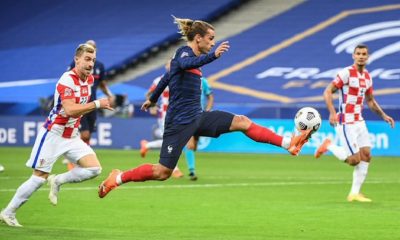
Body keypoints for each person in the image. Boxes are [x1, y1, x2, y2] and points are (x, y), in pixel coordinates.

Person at [98, 16, 311, 198]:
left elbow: (166, 77)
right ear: (198, 38)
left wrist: (152, 98)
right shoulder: (184, 54)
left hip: (197, 117)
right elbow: (181, 66)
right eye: (210, 39)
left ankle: (288, 143)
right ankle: (117, 177)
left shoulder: (193, 61)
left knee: (242, 122)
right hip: (178, 123)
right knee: (162, 173)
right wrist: (213, 56)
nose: (212, 43)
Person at [0, 43, 113, 227]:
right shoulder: (67, 80)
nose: (91, 63)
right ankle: (8, 212)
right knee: (38, 178)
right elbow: (69, 110)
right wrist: (97, 104)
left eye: (93, 60)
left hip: (72, 135)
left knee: (94, 169)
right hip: (53, 134)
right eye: (86, 59)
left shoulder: (89, 80)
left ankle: (58, 180)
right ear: (76, 59)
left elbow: (79, 110)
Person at [314, 44, 395, 202]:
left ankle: (354, 194)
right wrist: (332, 113)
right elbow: (327, 92)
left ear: (368, 56)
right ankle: (328, 145)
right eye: (358, 53)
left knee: (366, 155)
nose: (361, 56)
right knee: (354, 160)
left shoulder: (367, 77)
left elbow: (370, 101)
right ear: (353, 56)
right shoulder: (346, 73)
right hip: (346, 121)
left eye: (364, 54)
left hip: (359, 121)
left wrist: (384, 115)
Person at [64, 40, 113, 170]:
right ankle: (73, 160)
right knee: (84, 134)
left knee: (88, 135)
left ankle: (83, 160)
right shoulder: (76, 64)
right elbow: (69, 80)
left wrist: (109, 94)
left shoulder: (100, 66)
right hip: (80, 104)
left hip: (94, 104)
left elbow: (102, 83)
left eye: (93, 47)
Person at [140, 60, 184, 178]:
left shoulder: (181, 78)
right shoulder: (159, 79)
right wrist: (152, 105)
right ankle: (174, 168)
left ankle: (147, 145)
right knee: (171, 140)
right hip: (165, 114)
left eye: (173, 63)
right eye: (169, 64)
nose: (171, 66)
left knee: (174, 140)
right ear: (165, 66)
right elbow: (148, 94)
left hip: (178, 114)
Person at [184, 76, 214, 180]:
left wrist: (208, 110)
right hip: (187, 116)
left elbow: (210, 97)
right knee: (190, 144)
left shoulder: (203, 81)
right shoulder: (183, 80)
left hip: (200, 116)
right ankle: (192, 171)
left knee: (194, 146)